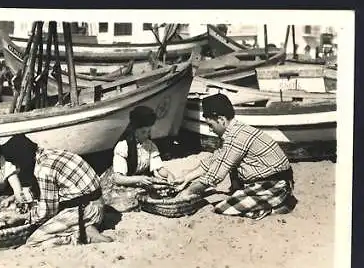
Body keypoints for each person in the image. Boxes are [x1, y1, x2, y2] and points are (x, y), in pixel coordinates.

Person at [175, 93, 298, 221]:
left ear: (221, 120)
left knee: (222, 208)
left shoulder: (236, 137)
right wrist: (186, 178)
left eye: (211, 125)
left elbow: (215, 176)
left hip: (275, 184)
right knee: (230, 171)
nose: (211, 130)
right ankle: (260, 199)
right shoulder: (234, 131)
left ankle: (275, 206)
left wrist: (188, 192)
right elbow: (215, 160)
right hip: (268, 180)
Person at [2, 134, 113, 246]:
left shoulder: (43, 170)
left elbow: (46, 212)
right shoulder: (49, 154)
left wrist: (21, 217)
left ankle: (83, 235)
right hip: (96, 203)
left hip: (86, 211)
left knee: (34, 241)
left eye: (17, 164)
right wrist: (18, 198)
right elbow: (47, 191)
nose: (17, 169)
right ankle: (83, 226)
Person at [100, 105, 176, 213]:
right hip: (120, 182)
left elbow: (159, 168)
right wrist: (139, 179)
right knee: (135, 197)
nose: (147, 135)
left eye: (149, 132)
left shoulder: (150, 145)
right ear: (134, 130)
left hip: (138, 179)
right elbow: (118, 178)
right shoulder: (123, 146)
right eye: (143, 132)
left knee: (165, 188)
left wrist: (169, 175)